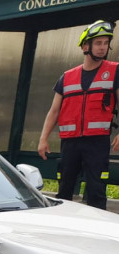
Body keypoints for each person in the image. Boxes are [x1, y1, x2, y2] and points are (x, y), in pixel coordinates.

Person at [38, 20, 119, 210]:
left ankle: (96, 231)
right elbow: (54, 111)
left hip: (97, 142)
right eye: (98, 43)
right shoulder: (67, 77)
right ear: (85, 46)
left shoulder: (115, 71)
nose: (102, 48)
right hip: (70, 142)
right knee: (65, 189)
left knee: (96, 189)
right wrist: (43, 139)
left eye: (106, 43)